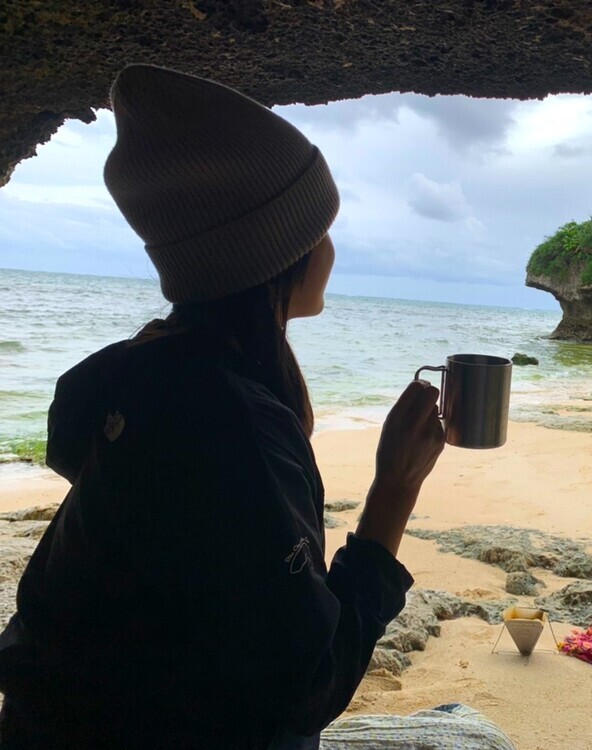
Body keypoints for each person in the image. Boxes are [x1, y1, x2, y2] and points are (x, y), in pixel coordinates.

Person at [0, 65, 446, 749]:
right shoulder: (232, 424)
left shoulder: (133, 371)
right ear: (279, 253)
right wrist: (396, 487)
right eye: (320, 228)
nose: (331, 248)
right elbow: (306, 687)